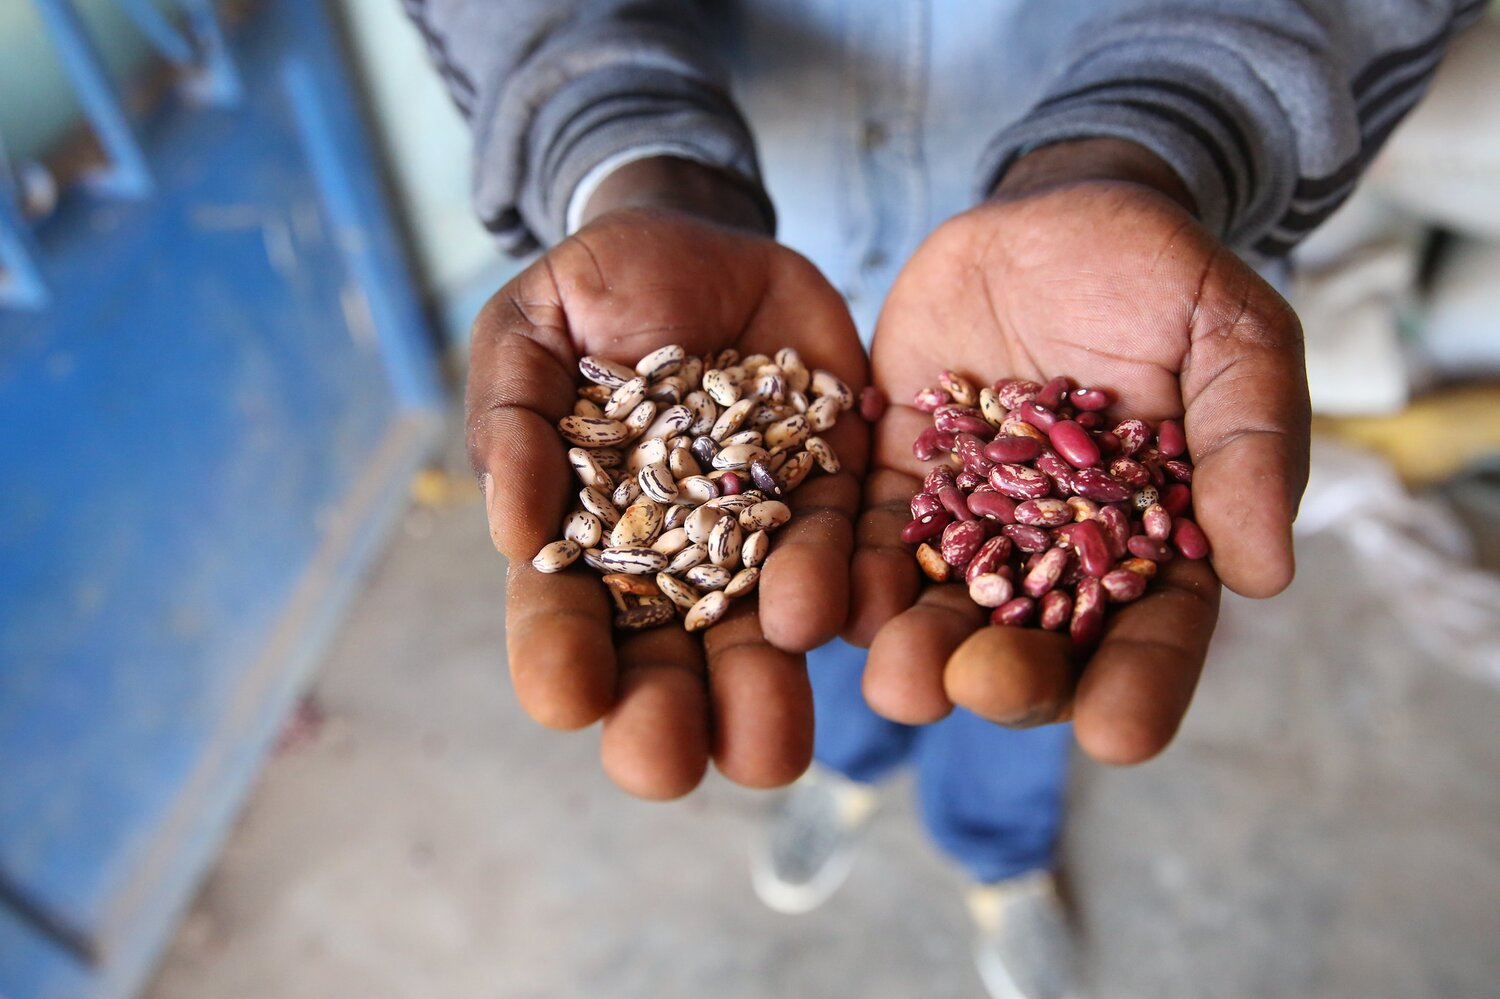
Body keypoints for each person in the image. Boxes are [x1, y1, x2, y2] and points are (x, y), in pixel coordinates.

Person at [405, 2, 1483, 995]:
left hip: (1111, 280)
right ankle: (848, 775)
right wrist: (623, 149)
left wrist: (1167, 126)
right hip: (747, 279)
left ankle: (1000, 856)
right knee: (798, 609)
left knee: (1028, 656)